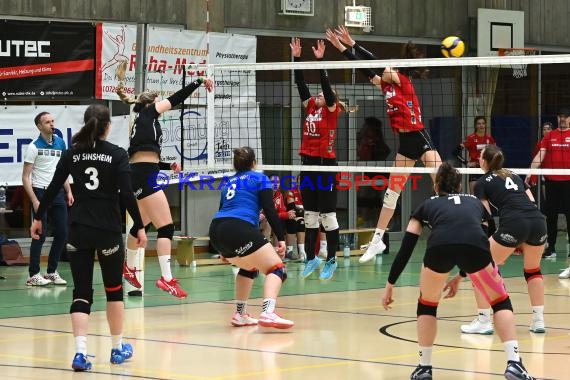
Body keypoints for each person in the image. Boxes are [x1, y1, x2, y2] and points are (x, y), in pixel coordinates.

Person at [381, 162, 536, 380]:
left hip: (439, 247)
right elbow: (482, 240)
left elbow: (406, 249)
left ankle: (424, 367)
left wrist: (390, 285)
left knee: (427, 305)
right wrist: (464, 274)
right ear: (459, 185)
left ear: (436, 186)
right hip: (475, 248)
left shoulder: (426, 205)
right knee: (500, 302)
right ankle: (514, 364)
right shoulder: (475, 203)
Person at [30, 104, 147, 371]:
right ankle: (117, 348)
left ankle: (80, 354)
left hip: (79, 230)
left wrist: (38, 217)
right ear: (107, 126)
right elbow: (127, 194)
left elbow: (52, 187)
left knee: (81, 292)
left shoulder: (73, 152)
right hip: (107, 231)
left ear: (86, 124)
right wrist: (139, 226)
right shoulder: (117, 154)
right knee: (113, 290)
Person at [326, 26, 442, 263]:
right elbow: (365, 68)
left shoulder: (403, 81)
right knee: (392, 193)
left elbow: (376, 63)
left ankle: (457, 228)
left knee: (442, 185)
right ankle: (378, 239)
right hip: (406, 143)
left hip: (420, 138)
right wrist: (341, 49)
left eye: (388, 70)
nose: (384, 72)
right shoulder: (386, 86)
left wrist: (354, 44)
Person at [116, 63, 214, 298]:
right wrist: (199, 81)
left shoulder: (144, 122)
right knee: (167, 227)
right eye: (158, 102)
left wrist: (167, 165)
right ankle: (167, 278)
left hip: (141, 173)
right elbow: (177, 97)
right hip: (142, 176)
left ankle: (129, 268)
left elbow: (142, 157)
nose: (163, 105)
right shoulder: (148, 113)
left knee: (141, 225)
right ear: (151, 103)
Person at [455, 145, 547, 335]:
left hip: (515, 223)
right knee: (533, 271)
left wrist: (505, 237)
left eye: (480, 157)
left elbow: (486, 218)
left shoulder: (481, 183)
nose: (479, 159)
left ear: (484, 161)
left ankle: (484, 321)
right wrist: (519, 239)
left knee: (478, 267)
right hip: (538, 221)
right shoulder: (512, 174)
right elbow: (531, 202)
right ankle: (538, 320)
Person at [290, 37, 356, 280]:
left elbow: (327, 91)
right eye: (316, 95)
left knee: (328, 217)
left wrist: (321, 62)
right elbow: (300, 85)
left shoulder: (331, 110)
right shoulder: (310, 108)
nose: (317, 95)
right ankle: (310, 257)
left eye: (321, 94)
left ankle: (331, 260)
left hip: (326, 167)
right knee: (309, 215)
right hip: (308, 165)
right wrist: (296, 58)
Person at [209, 147, 293, 329]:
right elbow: (270, 210)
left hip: (216, 231)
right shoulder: (260, 178)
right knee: (278, 269)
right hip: (238, 228)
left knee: (249, 267)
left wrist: (225, 249)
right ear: (254, 163)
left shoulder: (228, 182)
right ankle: (268, 312)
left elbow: (224, 210)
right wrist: (281, 238)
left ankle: (240, 314)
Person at [22, 112, 74, 286]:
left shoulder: (61, 143)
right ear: (39, 126)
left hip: (58, 193)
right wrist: (36, 201)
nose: (52, 124)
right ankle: (34, 274)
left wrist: (68, 191)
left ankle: (51, 271)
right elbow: (25, 177)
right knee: (39, 234)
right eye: (47, 122)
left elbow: (63, 170)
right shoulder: (33, 147)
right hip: (40, 193)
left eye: (53, 121)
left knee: (62, 232)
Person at [526, 109, 570, 266]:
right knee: (551, 216)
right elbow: (540, 155)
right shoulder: (549, 136)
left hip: (568, 182)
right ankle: (551, 248)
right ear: (558, 118)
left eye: (566, 117)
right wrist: (530, 172)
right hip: (552, 182)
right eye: (561, 117)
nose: (563, 120)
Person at [452, 116, 495, 194]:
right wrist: (466, 163)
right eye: (479, 124)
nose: (481, 125)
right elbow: (455, 152)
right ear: (475, 126)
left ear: (485, 125)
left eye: (483, 123)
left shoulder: (490, 138)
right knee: (474, 195)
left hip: (487, 169)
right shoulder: (470, 138)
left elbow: (496, 153)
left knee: (488, 195)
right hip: (474, 169)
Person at [285, 179, 307, 261]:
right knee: (294, 221)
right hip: (290, 217)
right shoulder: (291, 192)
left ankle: (302, 251)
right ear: (297, 182)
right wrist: (301, 214)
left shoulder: (309, 193)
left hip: (305, 217)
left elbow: (312, 209)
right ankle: (289, 252)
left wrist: (302, 215)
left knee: (302, 221)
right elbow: (291, 208)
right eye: (300, 180)